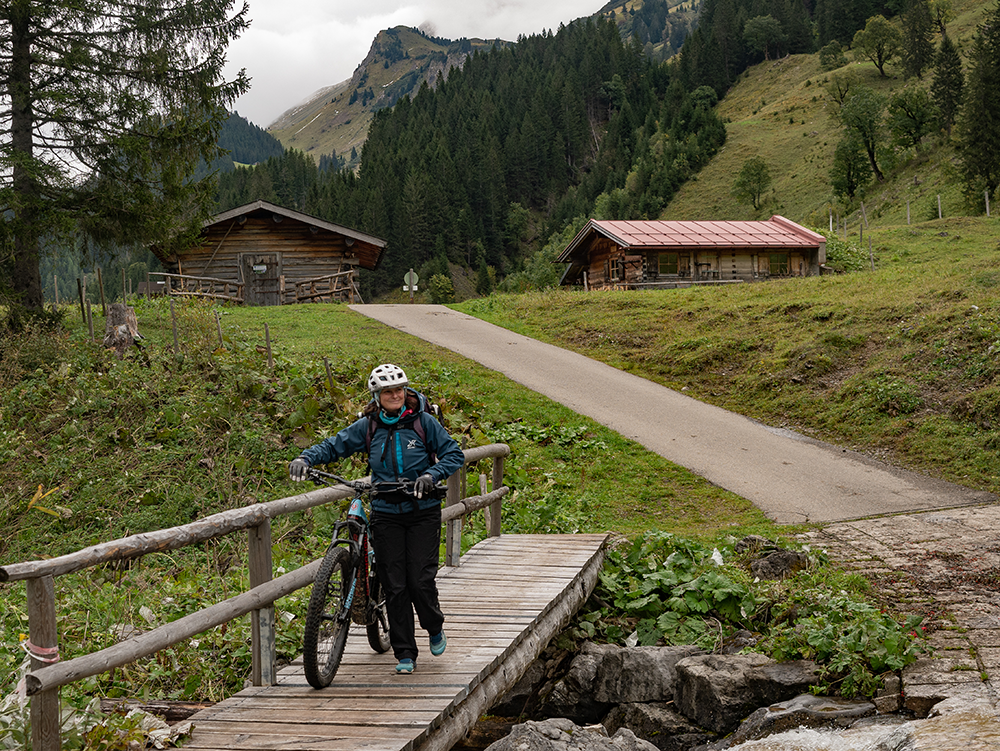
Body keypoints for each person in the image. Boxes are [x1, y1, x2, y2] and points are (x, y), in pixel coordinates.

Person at [289, 363, 465, 675]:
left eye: (399, 389)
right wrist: (306, 458)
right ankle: (405, 654)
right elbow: (335, 445)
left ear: (406, 390)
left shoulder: (423, 423)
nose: (395, 395)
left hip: (422, 512)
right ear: (377, 395)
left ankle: (434, 626)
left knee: (420, 582)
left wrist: (430, 474)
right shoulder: (369, 426)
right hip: (386, 511)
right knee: (395, 585)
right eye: (388, 391)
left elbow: (454, 454)